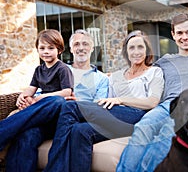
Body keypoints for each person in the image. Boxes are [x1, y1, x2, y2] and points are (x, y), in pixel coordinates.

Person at [116, 13, 188, 172]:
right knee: (142, 127)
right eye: (180, 33)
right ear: (173, 35)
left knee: (167, 132)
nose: (184, 37)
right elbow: (142, 72)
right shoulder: (165, 60)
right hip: (164, 107)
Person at [44, 30, 165, 172]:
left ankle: (54, 168)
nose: (136, 52)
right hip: (114, 119)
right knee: (80, 130)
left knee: (71, 107)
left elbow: (152, 102)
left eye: (140, 47)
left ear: (147, 50)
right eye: (131, 48)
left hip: (137, 118)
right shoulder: (116, 76)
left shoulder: (154, 72)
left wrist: (120, 100)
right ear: (126, 52)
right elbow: (106, 104)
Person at [0, 29, 109, 172]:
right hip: (44, 116)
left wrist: (75, 104)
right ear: (70, 49)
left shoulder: (100, 78)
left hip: (70, 117)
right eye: (77, 44)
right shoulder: (44, 68)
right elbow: (34, 90)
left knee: (60, 102)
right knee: (28, 135)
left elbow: (97, 108)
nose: (81, 48)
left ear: (92, 48)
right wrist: (25, 97)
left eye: (85, 44)